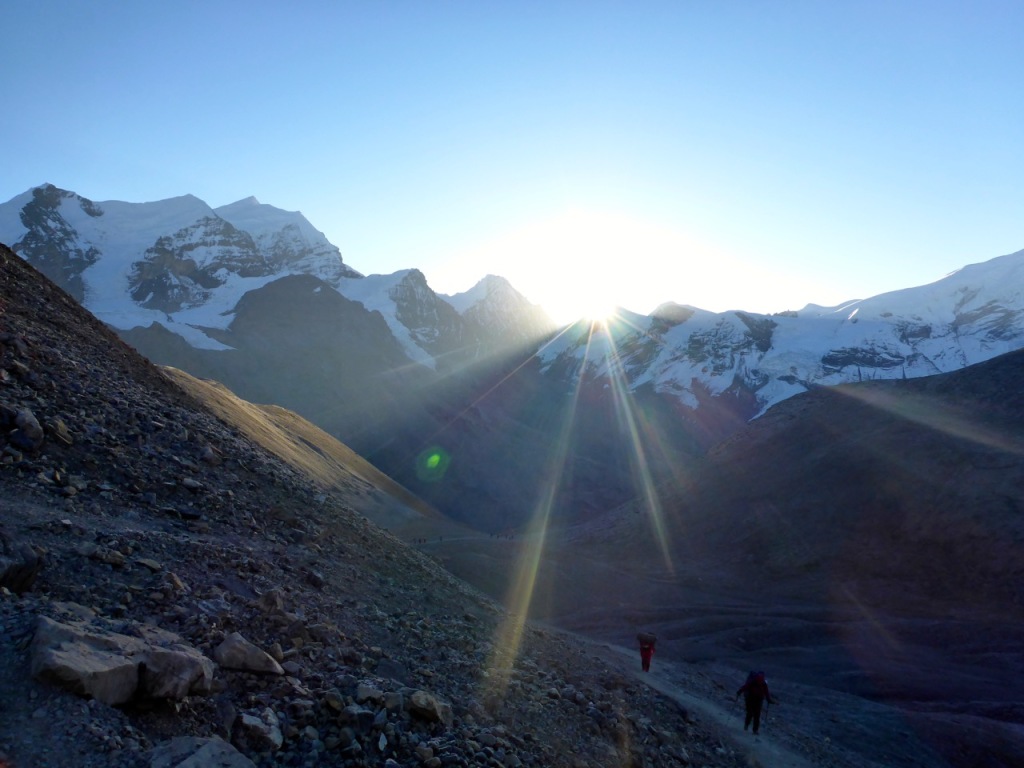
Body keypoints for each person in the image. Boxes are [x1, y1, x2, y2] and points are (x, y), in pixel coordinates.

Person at [736, 670, 772, 735]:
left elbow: (745, 686)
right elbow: (766, 692)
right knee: (755, 715)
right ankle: (753, 729)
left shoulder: (756, 682)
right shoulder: (762, 683)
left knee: (752, 714)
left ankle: (749, 726)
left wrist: (739, 692)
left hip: (752, 699)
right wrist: (768, 700)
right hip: (754, 699)